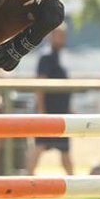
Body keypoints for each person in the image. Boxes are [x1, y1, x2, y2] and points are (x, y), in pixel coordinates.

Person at [26, 23, 74, 175]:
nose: (62, 39)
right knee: (39, 146)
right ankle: (27, 180)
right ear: (51, 36)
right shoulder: (46, 57)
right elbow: (39, 84)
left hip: (60, 112)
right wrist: (41, 109)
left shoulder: (59, 57)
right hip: (48, 111)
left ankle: (74, 182)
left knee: (64, 150)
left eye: (64, 36)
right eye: (59, 35)